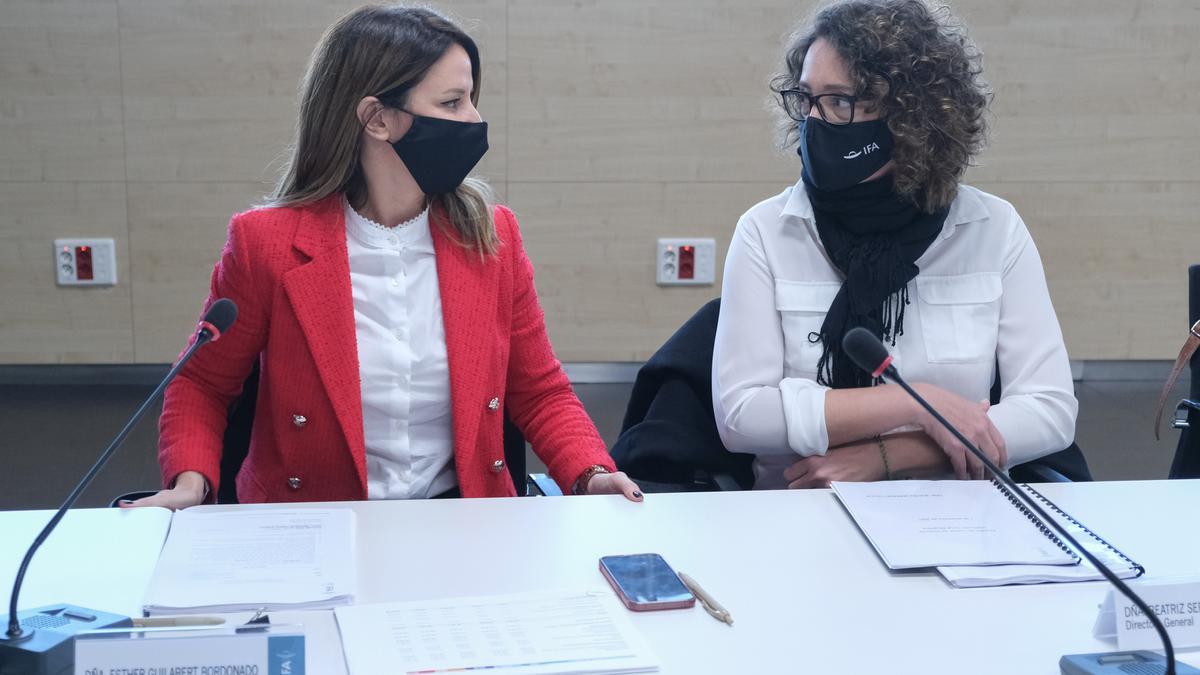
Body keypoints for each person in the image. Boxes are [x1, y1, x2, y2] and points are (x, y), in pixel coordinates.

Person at [128, 5, 641, 508]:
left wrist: (592, 473)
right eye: (452, 103)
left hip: (465, 521)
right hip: (314, 525)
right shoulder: (266, 242)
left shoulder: (493, 236)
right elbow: (202, 383)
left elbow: (539, 389)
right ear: (377, 119)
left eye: (472, 100)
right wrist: (188, 485)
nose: (475, 120)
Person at [712, 0, 1077, 490]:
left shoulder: (992, 227)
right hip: (801, 509)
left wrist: (896, 455)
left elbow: (1050, 409)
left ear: (912, 114)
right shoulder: (768, 230)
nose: (814, 122)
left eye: (840, 101)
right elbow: (741, 415)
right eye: (806, 99)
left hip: (963, 513)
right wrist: (915, 402)